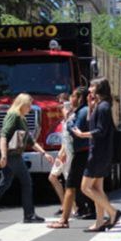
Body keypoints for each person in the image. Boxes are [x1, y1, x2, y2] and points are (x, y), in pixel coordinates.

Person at [0, 93, 52, 224]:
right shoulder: (13, 116)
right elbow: (4, 136)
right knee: (26, 182)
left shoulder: (21, 118)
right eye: (29, 105)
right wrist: (3, 155)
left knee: (4, 183)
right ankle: (29, 215)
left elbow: (30, 141)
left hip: (12, 155)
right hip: (12, 155)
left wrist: (44, 153)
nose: (30, 108)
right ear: (22, 104)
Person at [71, 78, 121, 232]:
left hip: (99, 153)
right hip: (99, 151)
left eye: (93, 86)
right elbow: (92, 122)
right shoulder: (99, 106)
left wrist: (82, 135)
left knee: (85, 187)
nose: (90, 89)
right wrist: (90, 105)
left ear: (100, 88)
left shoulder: (104, 107)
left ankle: (113, 212)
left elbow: (101, 131)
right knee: (97, 188)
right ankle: (100, 222)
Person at [48, 88, 89, 229]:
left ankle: (68, 216)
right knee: (74, 184)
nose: (68, 101)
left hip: (77, 152)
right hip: (73, 151)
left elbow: (75, 131)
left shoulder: (81, 112)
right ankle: (70, 211)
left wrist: (66, 117)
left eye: (72, 96)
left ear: (79, 98)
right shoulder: (78, 112)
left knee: (73, 184)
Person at [48, 93, 71, 214]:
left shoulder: (70, 118)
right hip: (63, 151)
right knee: (53, 177)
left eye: (64, 102)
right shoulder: (63, 120)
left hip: (67, 153)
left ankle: (71, 207)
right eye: (60, 102)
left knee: (68, 180)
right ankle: (64, 204)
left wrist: (62, 153)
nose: (61, 105)